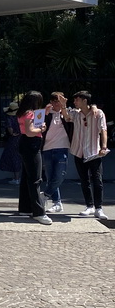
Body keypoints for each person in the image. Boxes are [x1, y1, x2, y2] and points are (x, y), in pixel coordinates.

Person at [64, 90, 108, 219]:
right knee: (84, 180)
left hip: (94, 152)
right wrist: (62, 105)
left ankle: (99, 207)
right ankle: (89, 206)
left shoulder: (98, 113)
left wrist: (104, 146)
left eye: (77, 100)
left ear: (84, 101)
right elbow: (66, 116)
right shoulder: (76, 114)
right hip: (79, 151)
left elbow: (103, 130)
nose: (75, 102)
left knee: (97, 180)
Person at [16, 91, 52, 224]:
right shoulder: (30, 113)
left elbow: (32, 123)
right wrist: (42, 129)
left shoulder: (22, 113)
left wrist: (45, 112)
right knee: (35, 179)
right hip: (32, 145)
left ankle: (25, 207)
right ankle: (39, 212)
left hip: (25, 144)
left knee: (27, 176)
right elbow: (31, 131)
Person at [42, 91, 72, 213]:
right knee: (50, 177)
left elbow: (68, 119)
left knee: (60, 176)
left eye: (58, 101)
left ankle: (45, 195)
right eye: (54, 101)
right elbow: (39, 125)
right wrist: (45, 113)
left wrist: (63, 106)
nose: (56, 104)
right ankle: (57, 202)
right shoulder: (47, 113)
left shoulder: (67, 112)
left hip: (62, 147)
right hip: (47, 148)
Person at [0, 100, 22, 184]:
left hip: (14, 139)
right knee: (19, 157)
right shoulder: (20, 118)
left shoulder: (9, 118)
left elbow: (10, 129)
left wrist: (12, 133)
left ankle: (16, 178)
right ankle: (18, 177)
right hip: (21, 138)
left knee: (14, 157)